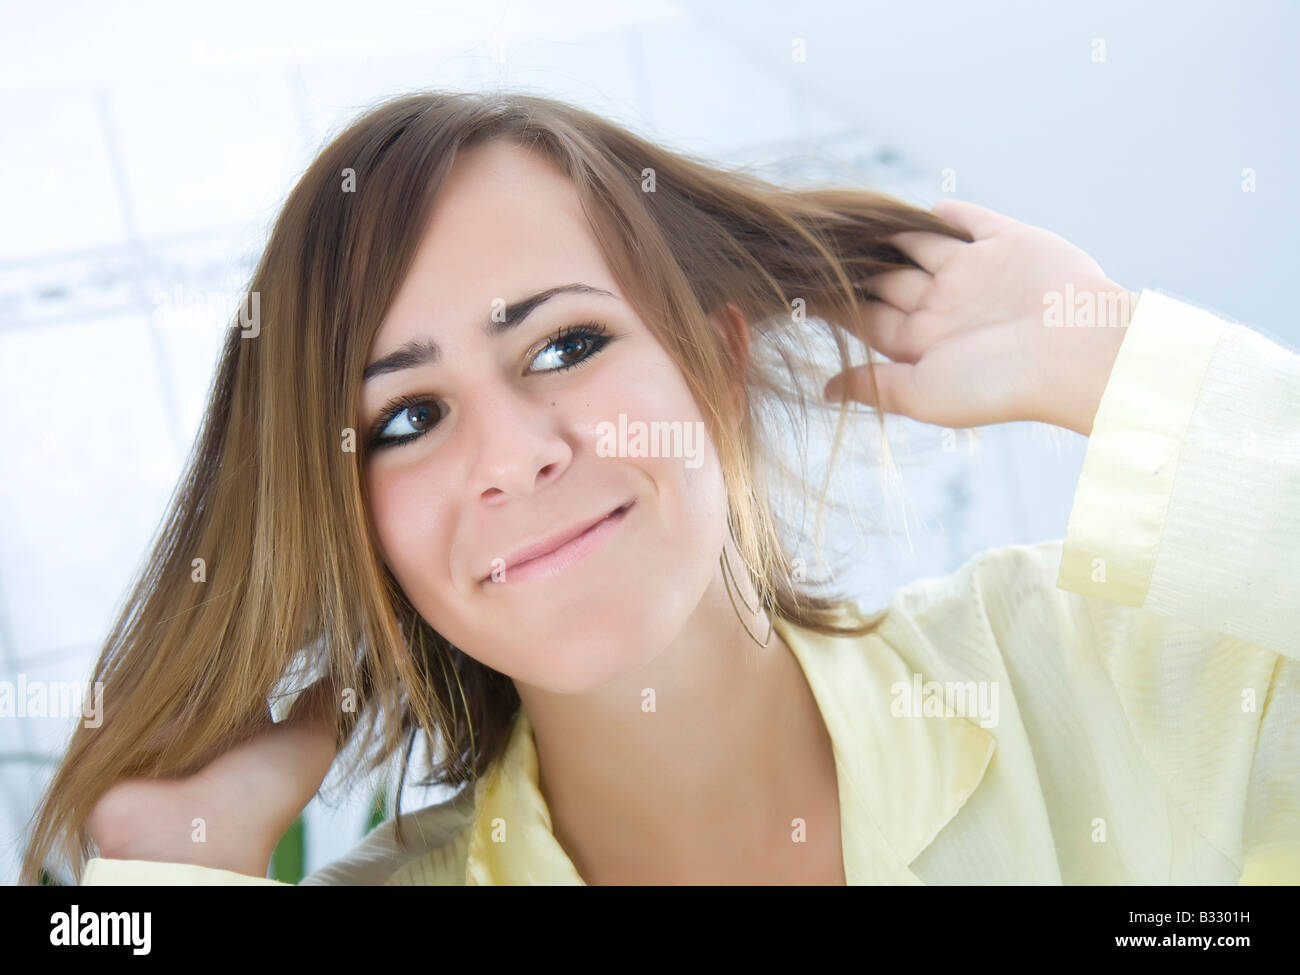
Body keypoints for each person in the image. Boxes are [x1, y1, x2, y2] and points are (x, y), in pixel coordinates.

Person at [21, 90, 1299, 886]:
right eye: (407, 417)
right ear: (358, 527)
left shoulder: (1112, 680)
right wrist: (166, 880)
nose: (514, 453)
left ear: (720, 365)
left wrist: (1116, 362)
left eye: (566, 345)